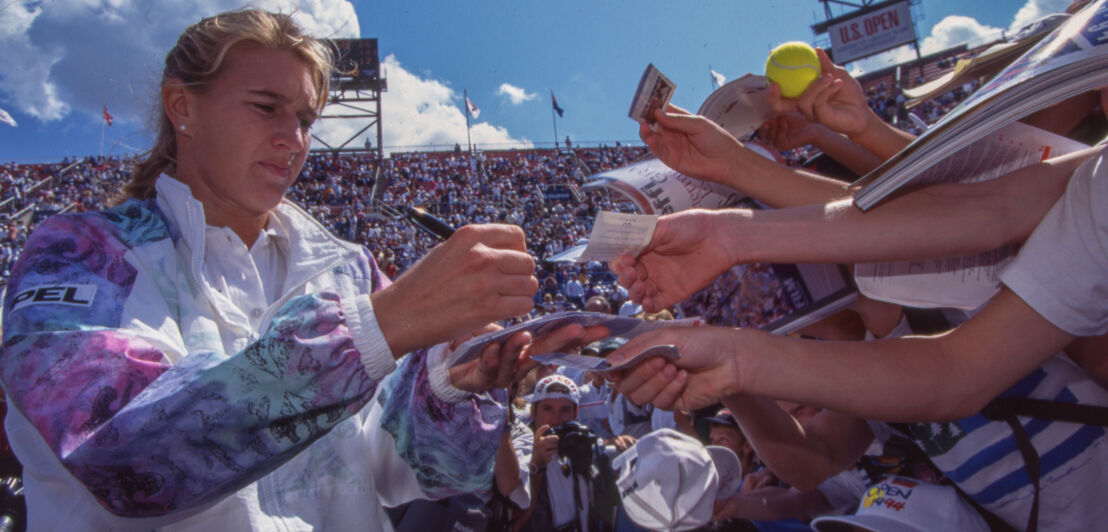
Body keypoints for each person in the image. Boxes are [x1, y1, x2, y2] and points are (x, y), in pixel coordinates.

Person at [0, 9, 595, 530]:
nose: (293, 140)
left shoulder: (346, 266)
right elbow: (117, 455)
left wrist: (450, 382)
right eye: (266, 108)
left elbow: (414, 475)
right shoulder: (82, 251)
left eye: (307, 120)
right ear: (182, 106)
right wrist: (374, 330)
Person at [507, 375, 633, 532]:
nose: (556, 419)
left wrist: (622, 444)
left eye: (565, 410)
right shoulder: (520, 451)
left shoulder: (584, 447)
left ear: (575, 413)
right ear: (533, 411)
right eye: (547, 409)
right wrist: (536, 466)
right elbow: (512, 520)